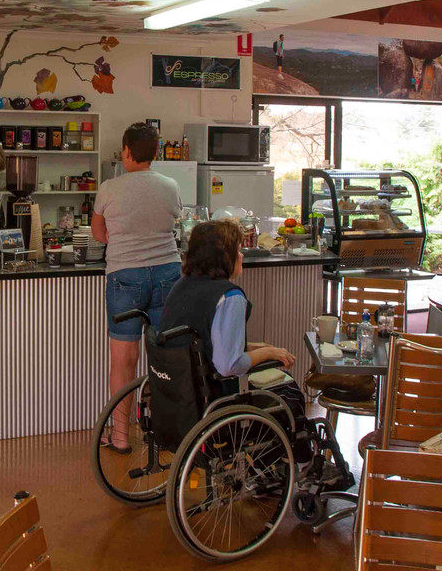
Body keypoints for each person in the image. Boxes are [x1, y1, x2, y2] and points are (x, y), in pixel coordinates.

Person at [92, 122, 182, 452]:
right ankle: (166, 431)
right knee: (164, 356)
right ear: (155, 153)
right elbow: (174, 222)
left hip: (125, 276)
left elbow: (100, 235)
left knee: (124, 359)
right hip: (167, 275)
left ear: (127, 152)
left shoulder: (108, 188)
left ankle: (119, 436)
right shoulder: (170, 185)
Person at [160, 219, 295, 387]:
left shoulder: (182, 285)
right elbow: (229, 366)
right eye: (238, 250)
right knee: (290, 390)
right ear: (224, 257)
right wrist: (267, 353)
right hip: (210, 393)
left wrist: (255, 347)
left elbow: (204, 341)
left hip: (174, 389)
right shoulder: (230, 298)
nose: (242, 255)